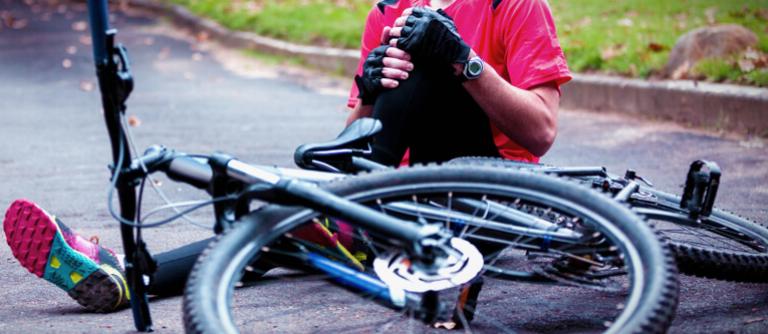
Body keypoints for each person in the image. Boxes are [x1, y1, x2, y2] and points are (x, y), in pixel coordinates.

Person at [3, 0, 570, 313]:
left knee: (428, 60)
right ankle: (128, 277)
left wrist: (463, 62)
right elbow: (354, 137)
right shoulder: (387, 13)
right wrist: (369, 91)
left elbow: (541, 131)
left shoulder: (513, 5)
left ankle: (337, 218)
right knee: (274, 225)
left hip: (493, 194)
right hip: (400, 201)